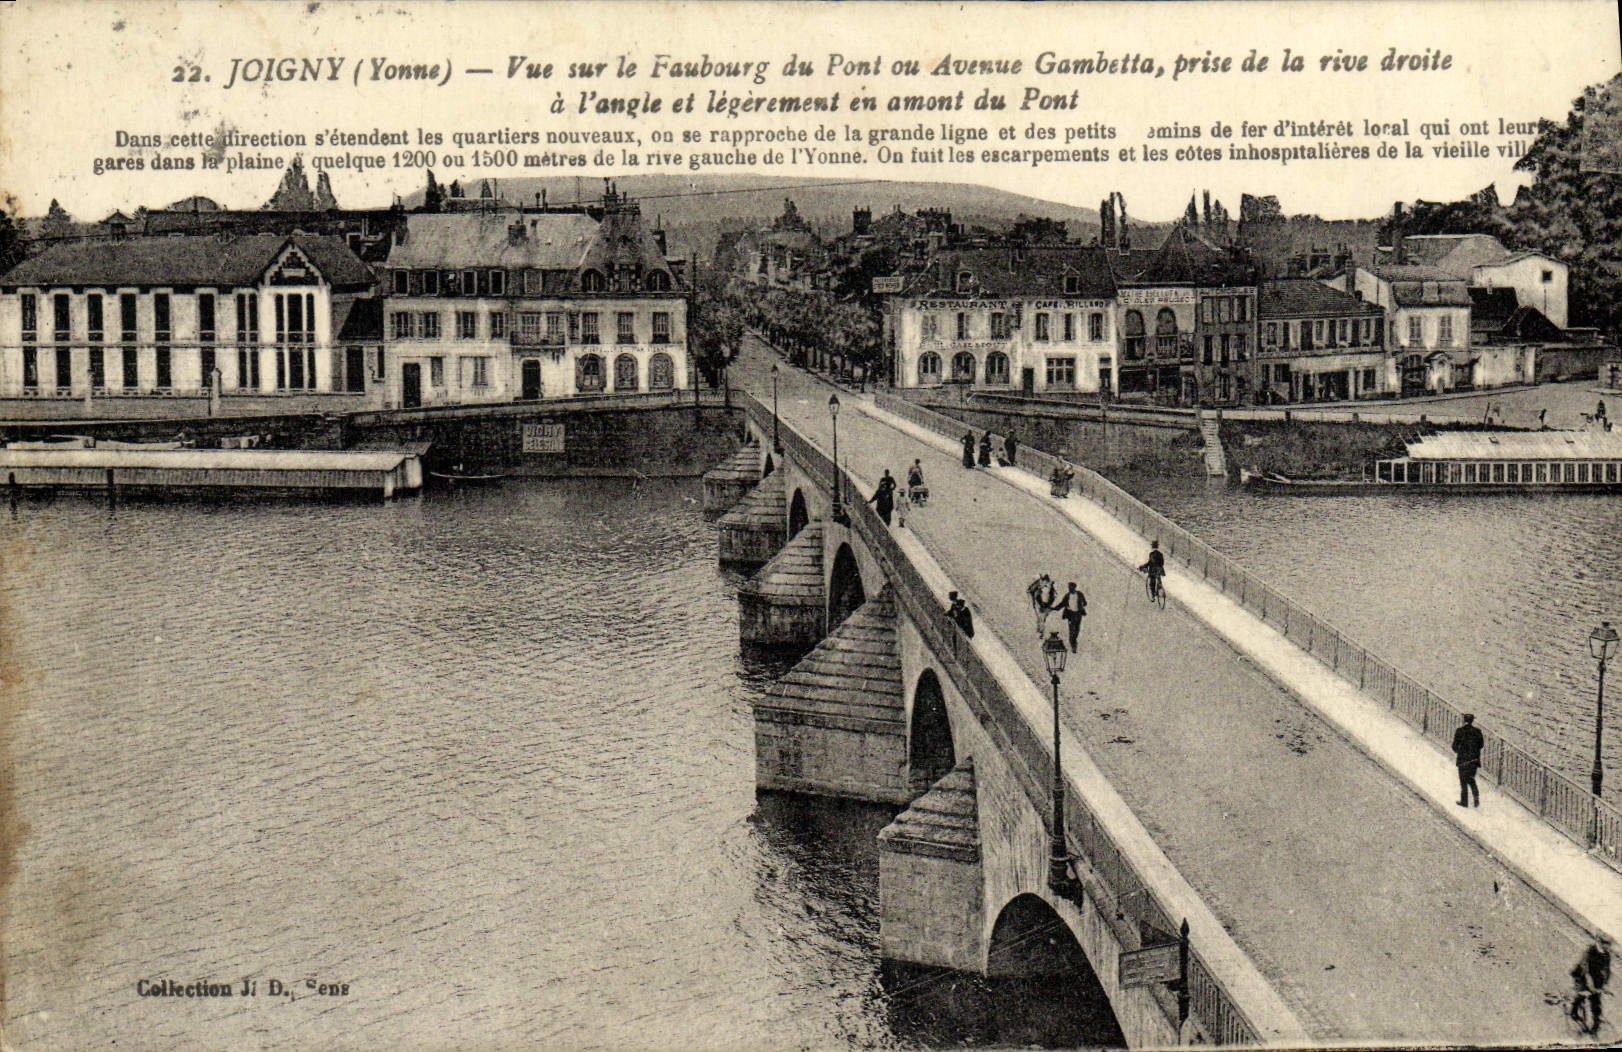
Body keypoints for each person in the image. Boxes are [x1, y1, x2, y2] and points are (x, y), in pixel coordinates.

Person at [1572, 937, 1611, 1035]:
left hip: (1596, 977)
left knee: (1596, 999)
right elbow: (1586, 970)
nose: (1606, 948)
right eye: (1604, 944)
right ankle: (1574, 1010)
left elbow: (1607, 970)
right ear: (1599, 943)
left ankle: (1596, 1023)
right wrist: (1591, 987)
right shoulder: (1590, 952)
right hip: (1582, 974)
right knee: (1584, 992)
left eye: (1607, 946)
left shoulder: (1606, 955)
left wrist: (1605, 984)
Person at [1451, 713, 1484, 807]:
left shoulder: (1459, 731)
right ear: (1472, 721)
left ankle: (1464, 801)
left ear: (1464, 720)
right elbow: (1481, 745)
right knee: (1471, 779)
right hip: (1474, 760)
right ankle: (1476, 799)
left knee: (1463, 781)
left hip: (1463, 760)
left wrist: (1459, 752)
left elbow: (1454, 746)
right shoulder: (1478, 731)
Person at [1058, 581, 1088, 653]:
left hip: (1078, 614)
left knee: (1077, 630)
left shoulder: (1080, 594)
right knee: (1072, 630)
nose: (1070, 589)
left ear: (1074, 588)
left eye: (1071, 588)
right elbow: (1062, 604)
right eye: (1069, 588)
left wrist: (1082, 606)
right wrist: (1054, 608)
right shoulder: (1067, 596)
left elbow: (1085, 602)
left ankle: (1074, 642)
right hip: (1070, 615)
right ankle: (1073, 646)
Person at [1026, 573, 1058, 638]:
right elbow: (1033, 593)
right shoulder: (1038, 587)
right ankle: (1041, 631)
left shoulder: (1049, 587)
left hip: (1046, 603)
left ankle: (1040, 630)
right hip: (1039, 603)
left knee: (1042, 618)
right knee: (1040, 617)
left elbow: (1054, 595)